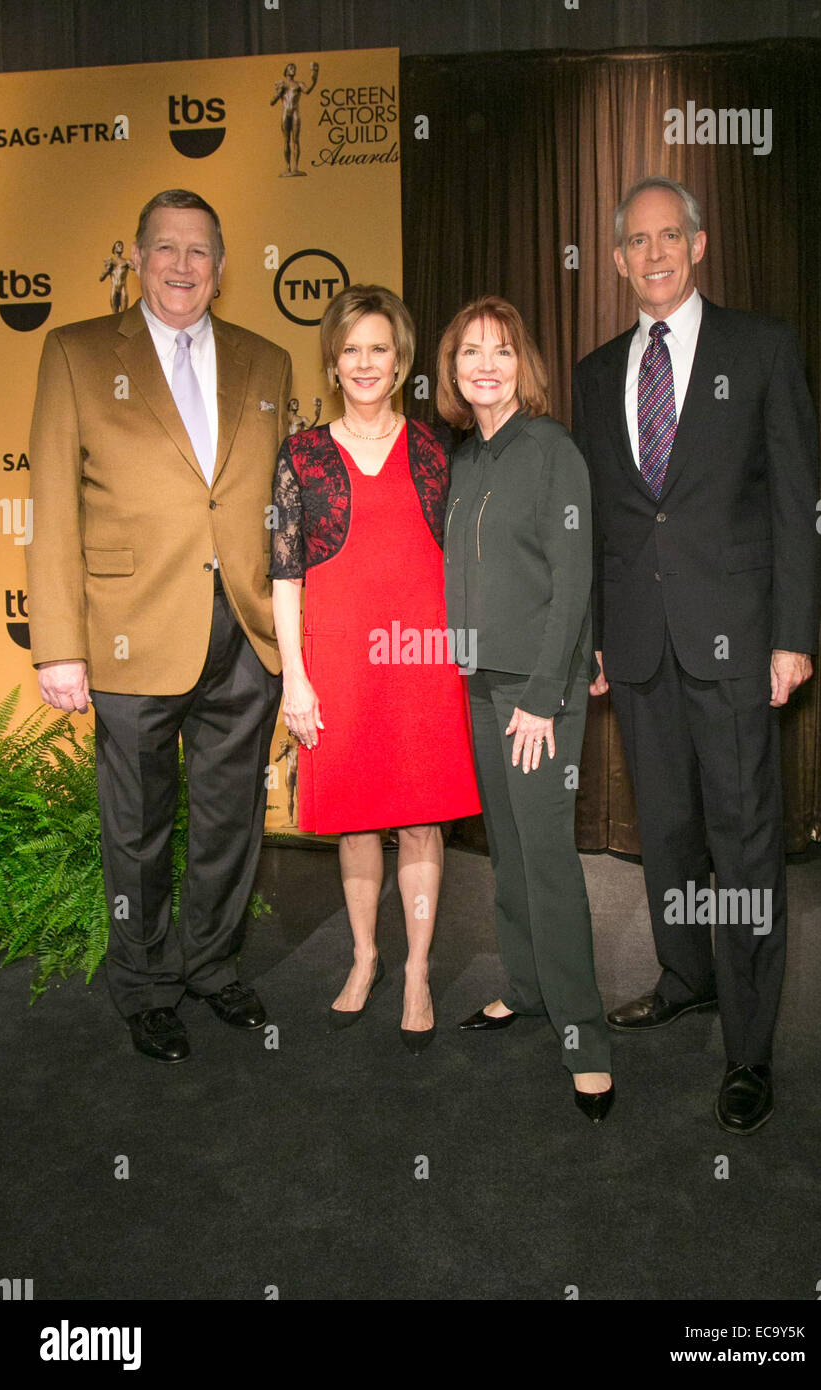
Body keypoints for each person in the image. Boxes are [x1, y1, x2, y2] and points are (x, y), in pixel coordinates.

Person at [571, 176, 821, 1134]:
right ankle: (685, 975)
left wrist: (794, 635)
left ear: (700, 243)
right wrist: (595, 632)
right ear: (621, 258)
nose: (654, 253)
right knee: (667, 832)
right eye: (636, 241)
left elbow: (796, 502)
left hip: (736, 644)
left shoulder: (760, 347)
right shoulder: (598, 375)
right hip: (638, 646)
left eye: (669, 235)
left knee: (745, 841)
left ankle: (749, 1047)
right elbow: (597, 520)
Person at [27, 188, 292, 1063]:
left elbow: (277, 505)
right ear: (137, 258)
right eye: (166, 249)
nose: (183, 265)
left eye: (200, 251)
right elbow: (53, 508)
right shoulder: (74, 353)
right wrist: (59, 645)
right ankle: (143, 986)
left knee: (229, 822)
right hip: (128, 631)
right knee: (136, 828)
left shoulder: (268, 359)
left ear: (220, 267)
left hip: (243, 635)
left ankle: (212, 967)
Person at [270, 284, 481, 1054]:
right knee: (356, 825)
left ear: (400, 363)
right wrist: (295, 675)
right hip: (340, 668)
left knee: (422, 820)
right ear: (333, 361)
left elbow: (471, 561)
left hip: (422, 665)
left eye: (379, 350)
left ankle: (418, 970)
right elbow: (284, 575)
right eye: (351, 349)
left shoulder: (436, 450)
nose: (365, 363)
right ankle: (364, 958)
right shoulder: (301, 456)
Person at [437, 295, 614, 1124]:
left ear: (523, 367)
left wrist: (545, 696)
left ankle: (585, 1039)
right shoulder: (466, 457)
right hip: (478, 683)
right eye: (470, 351)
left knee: (546, 858)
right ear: (452, 370)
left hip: (534, 693)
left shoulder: (550, 450)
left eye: (500, 351)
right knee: (506, 851)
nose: (484, 364)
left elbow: (572, 579)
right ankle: (525, 989)